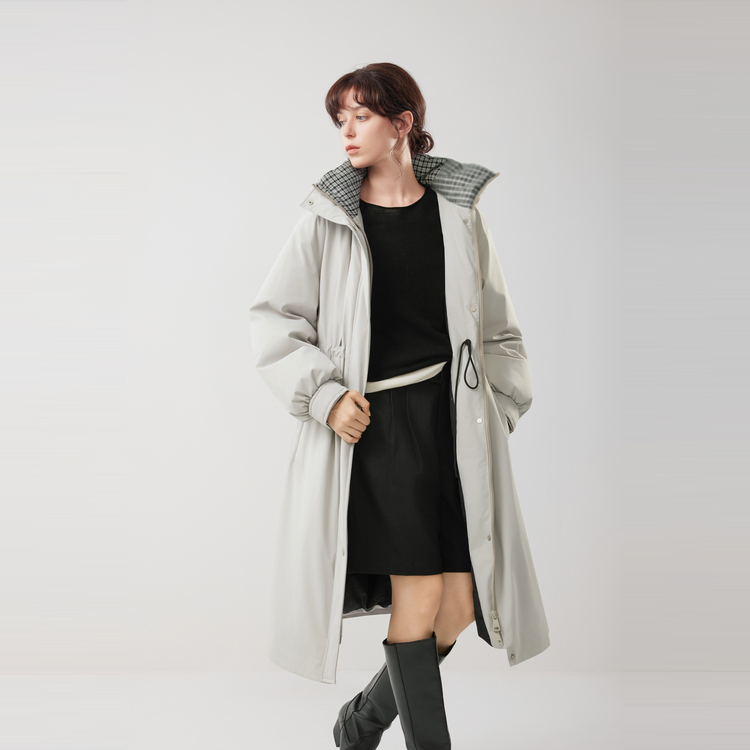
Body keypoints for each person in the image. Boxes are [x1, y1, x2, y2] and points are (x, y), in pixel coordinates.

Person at [249, 62, 550, 749]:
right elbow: (274, 320)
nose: (347, 131)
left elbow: (500, 332)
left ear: (403, 123)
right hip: (378, 428)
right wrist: (325, 397)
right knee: (420, 594)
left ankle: (360, 723)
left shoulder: (459, 215)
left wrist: (498, 411)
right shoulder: (327, 221)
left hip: (452, 425)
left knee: (461, 604)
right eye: (341, 120)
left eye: (361, 116)